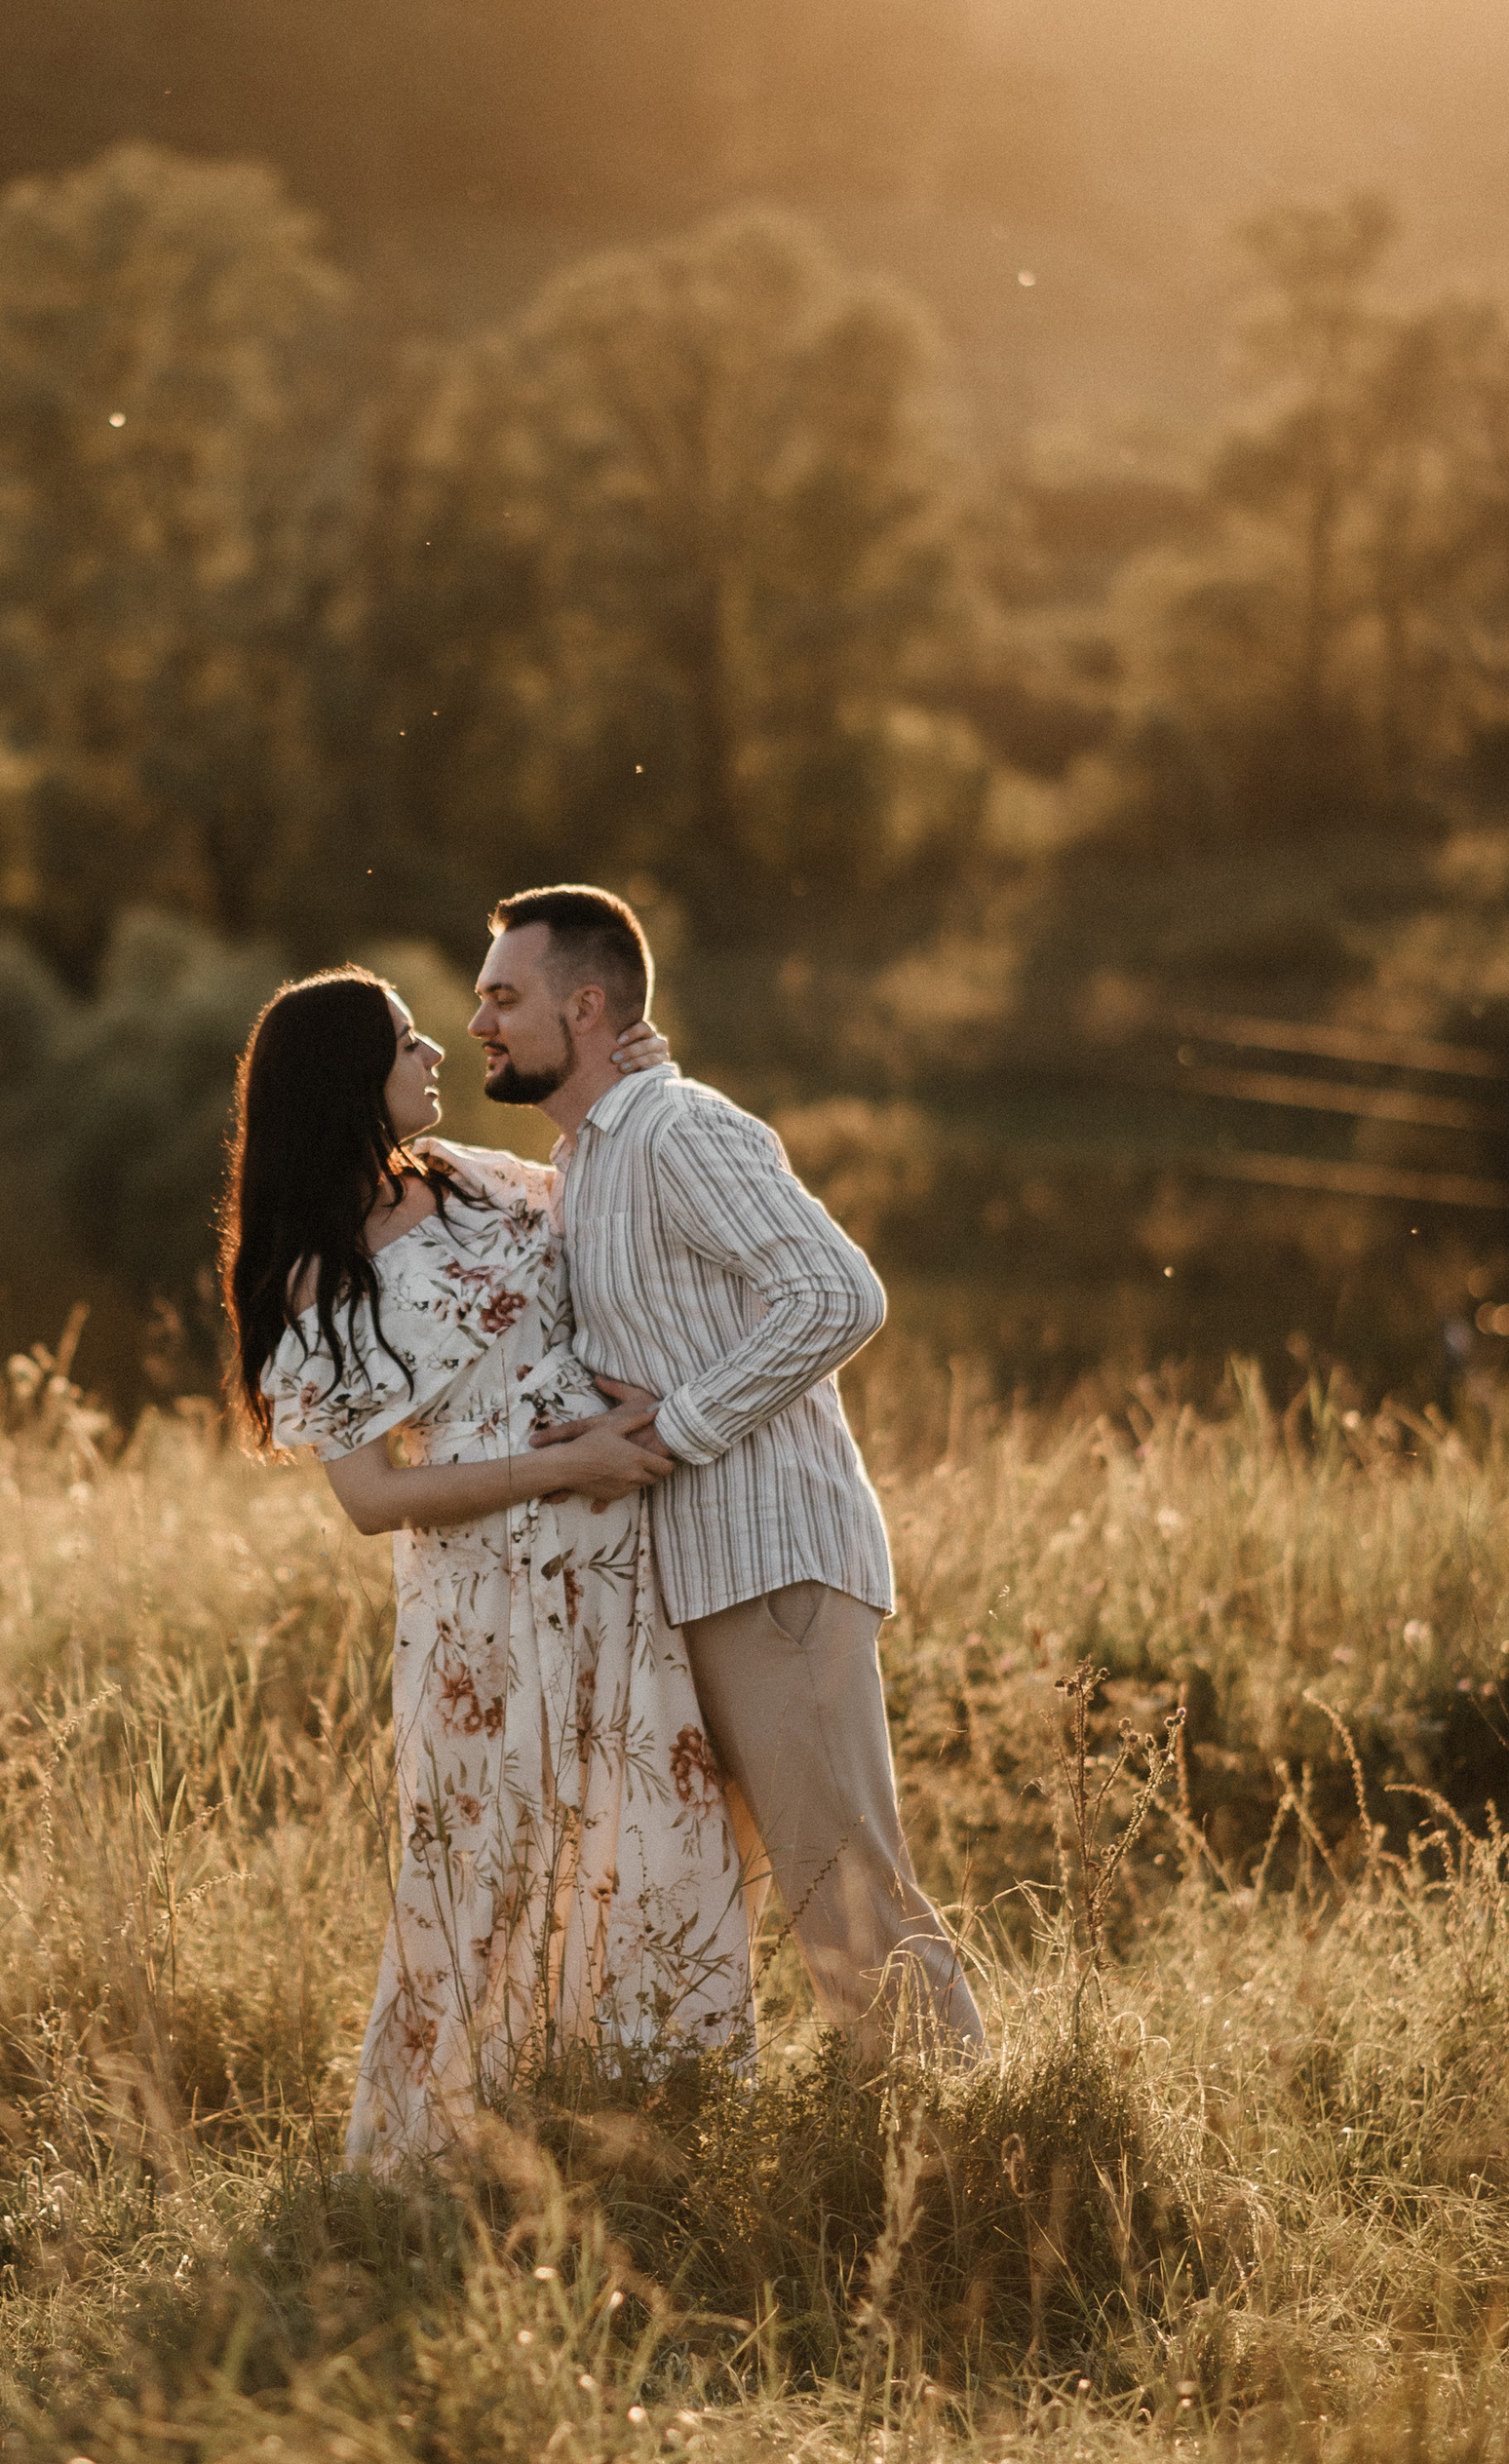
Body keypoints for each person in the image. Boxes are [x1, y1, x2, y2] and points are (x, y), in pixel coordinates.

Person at [221, 968, 756, 2167]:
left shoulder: (478, 1178)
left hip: (616, 1561)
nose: (435, 1056)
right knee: (484, 1862)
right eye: (408, 1042)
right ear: (348, 1081)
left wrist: (633, 1084)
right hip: (479, 1596)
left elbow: (616, 1221)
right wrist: (560, 1469)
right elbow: (369, 1501)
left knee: (649, 1834)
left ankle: (648, 2145)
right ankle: (446, 2155)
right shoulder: (311, 1274)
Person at [477, 882, 987, 2065]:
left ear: (586, 1005)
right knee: (751, 1906)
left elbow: (837, 1292)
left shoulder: (674, 1128)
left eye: (504, 996)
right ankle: (872, 2147)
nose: (480, 1021)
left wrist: (679, 1428)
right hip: (696, 1583)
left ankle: (975, 2170)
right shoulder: (591, 1153)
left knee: (850, 1896)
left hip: (773, 1565)